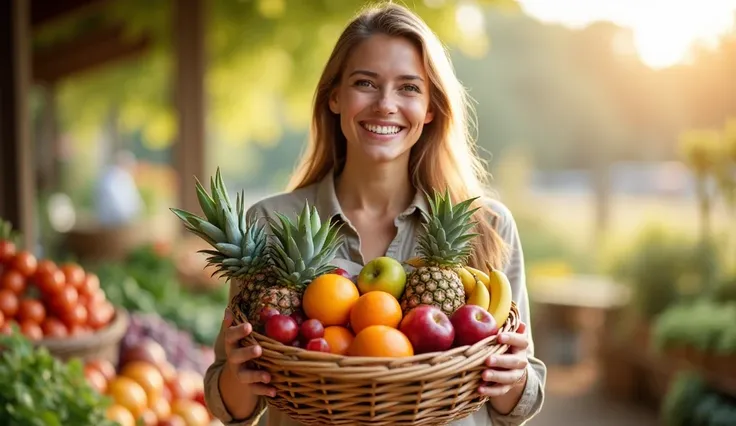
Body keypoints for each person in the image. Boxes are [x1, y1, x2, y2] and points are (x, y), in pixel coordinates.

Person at [204, 3, 546, 425]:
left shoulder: (486, 226)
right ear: (335, 96)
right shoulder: (269, 225)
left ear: (431, 108)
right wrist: (241, 370)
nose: (385, 104)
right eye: (365, 83)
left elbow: (517, 406)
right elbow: (233, 409)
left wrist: (512, 377)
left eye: (408, 88)